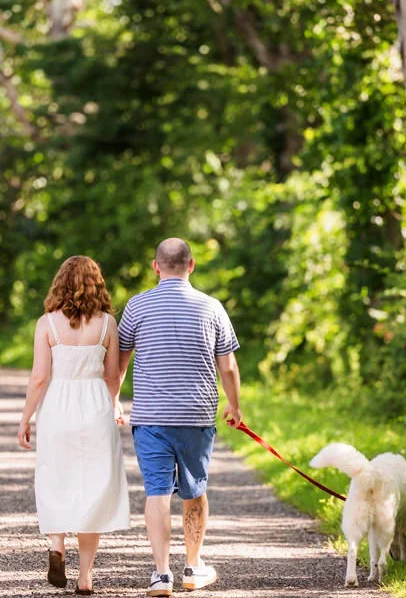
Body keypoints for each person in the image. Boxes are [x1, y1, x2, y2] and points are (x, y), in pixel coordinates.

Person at [118, 238, 242, 597]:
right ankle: (193, 567)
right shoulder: (212, 307)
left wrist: (113, 400)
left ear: (156, 266)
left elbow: (119, 363)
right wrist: (235, 406)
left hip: (151, 416)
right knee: (194, 490)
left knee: (157, 491)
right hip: (196, 416)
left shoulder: (137, 306)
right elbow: (229, 367)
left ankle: (160, 574)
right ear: (192, 265)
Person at [18, 255, 130, 595]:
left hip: (57, 408)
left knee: (55, 477)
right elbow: (113, 376)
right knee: (94, 487)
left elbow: (40, 377)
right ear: (97, 284)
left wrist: (25, 418)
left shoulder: (47, 324)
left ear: (60, 283)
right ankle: (85, 577)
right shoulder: (108, 324)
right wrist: (113, 403)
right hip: (95, 406)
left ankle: (56, 544)